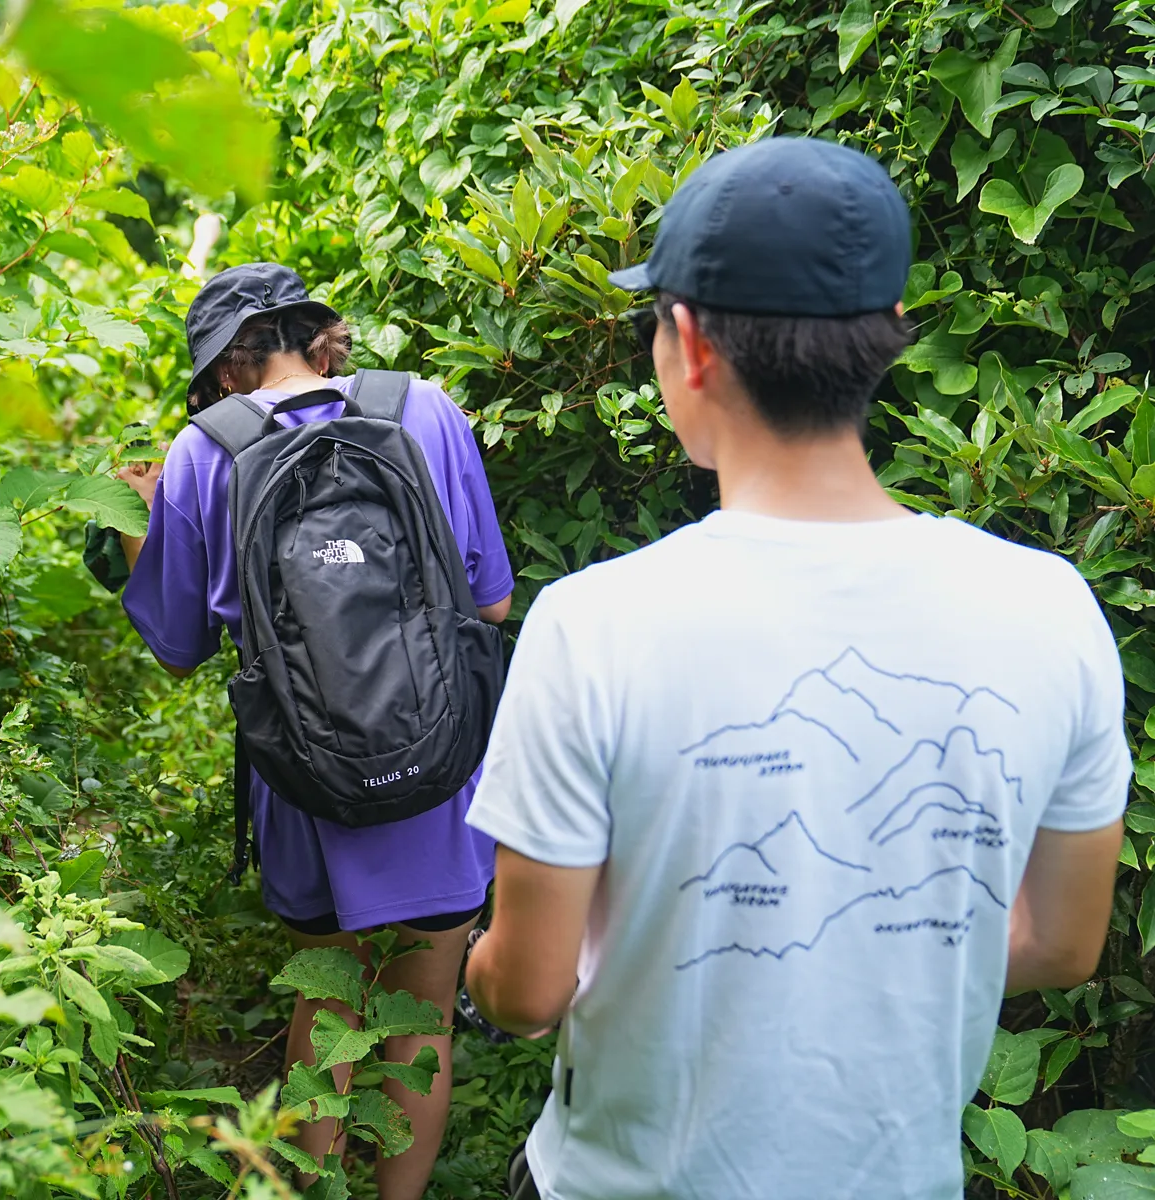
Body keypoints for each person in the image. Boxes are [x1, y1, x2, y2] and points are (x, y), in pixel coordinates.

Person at [462, 137, 1130, 1200]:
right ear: (886, 341)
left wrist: (479, 963)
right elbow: (1059, 944)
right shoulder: (1052, 608)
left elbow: (529, 991)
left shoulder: (594, 625)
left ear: (691, 346)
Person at [116, 262, 514, 1200]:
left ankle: (314, 1185)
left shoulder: (202, 450)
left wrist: (145, 527)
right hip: (438, 757)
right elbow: (490, 605)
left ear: (222, 370)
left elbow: (179, 649)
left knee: (326, 1007)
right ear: (319, 334)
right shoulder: (428, 410)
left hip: (304, 780)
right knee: (424, 1016)